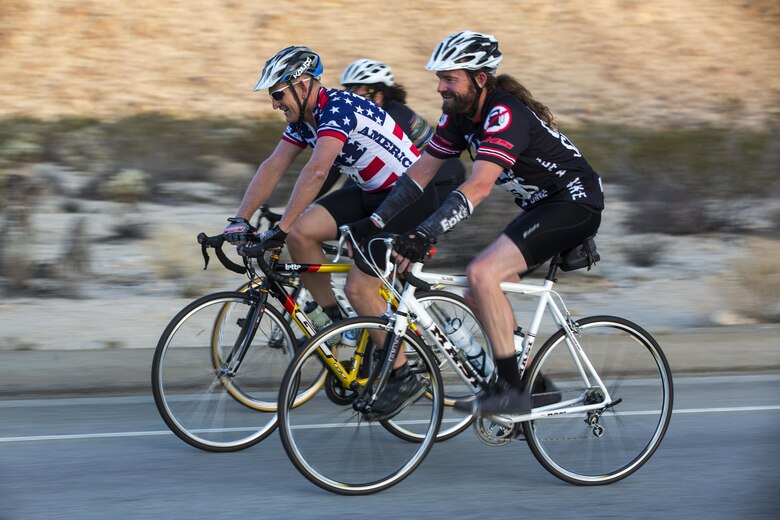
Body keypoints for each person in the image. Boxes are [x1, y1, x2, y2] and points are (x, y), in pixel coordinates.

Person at [350, 31, 604, 416]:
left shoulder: (504, 113)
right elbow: (418, 175)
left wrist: (425, 232)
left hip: (574, 202)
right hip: (542, 206)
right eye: (439, 78)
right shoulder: (458, 117)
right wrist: (376, 221)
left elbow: (479, 185)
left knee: (482, 273)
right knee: (478, 292)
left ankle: (512, 390)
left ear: (480, 79)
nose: (440, 87)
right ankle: (534, 383)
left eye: (449, 79)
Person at [222, 46, 439, 415]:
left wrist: (278, 227)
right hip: (373, 192)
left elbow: (318, 171)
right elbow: (274, 165)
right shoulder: (303, 120)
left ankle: (404, 374)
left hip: (409, 197)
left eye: (277, 94)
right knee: (300, 235)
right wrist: (239, 219)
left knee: (359, 286)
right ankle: (333, 323)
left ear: (303, 85)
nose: (274, 104)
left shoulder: (337, 108)